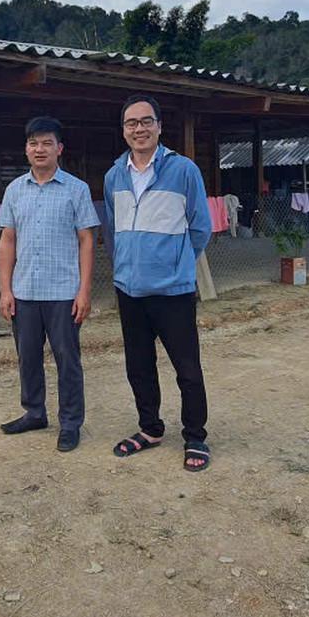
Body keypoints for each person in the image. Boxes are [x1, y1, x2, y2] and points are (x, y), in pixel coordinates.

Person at [103, 95, 215, 472]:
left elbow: (200, 227)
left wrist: (176, 263)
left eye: (146, 121)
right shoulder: (114, 175)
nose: (139, 129)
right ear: (123, 131)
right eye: (131, 123)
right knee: (139, 365)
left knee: (187, 367)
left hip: (173, 291)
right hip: (129, 290)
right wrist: (125, 265)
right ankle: (150, 428)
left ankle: (195, 435)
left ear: (159, 126)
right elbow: (112, 230)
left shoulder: (183, 170)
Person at [0, 116, 102, 452]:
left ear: (59, 148)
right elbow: (7, 240)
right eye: (33, 143)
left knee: (67, 359)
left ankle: (70, 423)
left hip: (63, 292)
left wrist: (84, 291)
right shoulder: (15, 190)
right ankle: (34, 412)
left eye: (46, 143)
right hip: (24, 291)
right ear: (26, 149)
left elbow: (86, 240)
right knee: (27, 357)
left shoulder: (76, 189)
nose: (39, 149)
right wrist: (5, 289)